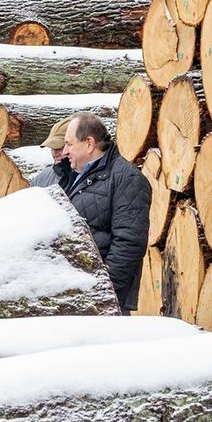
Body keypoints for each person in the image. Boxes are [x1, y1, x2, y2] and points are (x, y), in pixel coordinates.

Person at [56, 113, 149, 314]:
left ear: (89, 143)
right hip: (77, 292)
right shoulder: (73, 176)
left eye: (69, 144)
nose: (64, 151)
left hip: (103, 302)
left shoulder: (127, 178)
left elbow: (129, 242)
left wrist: (103, 292)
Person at [30, 121, 70, 189]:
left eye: (60, 148)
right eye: (52, 148)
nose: (55, 154)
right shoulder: (41, 179)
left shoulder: (88, 179)